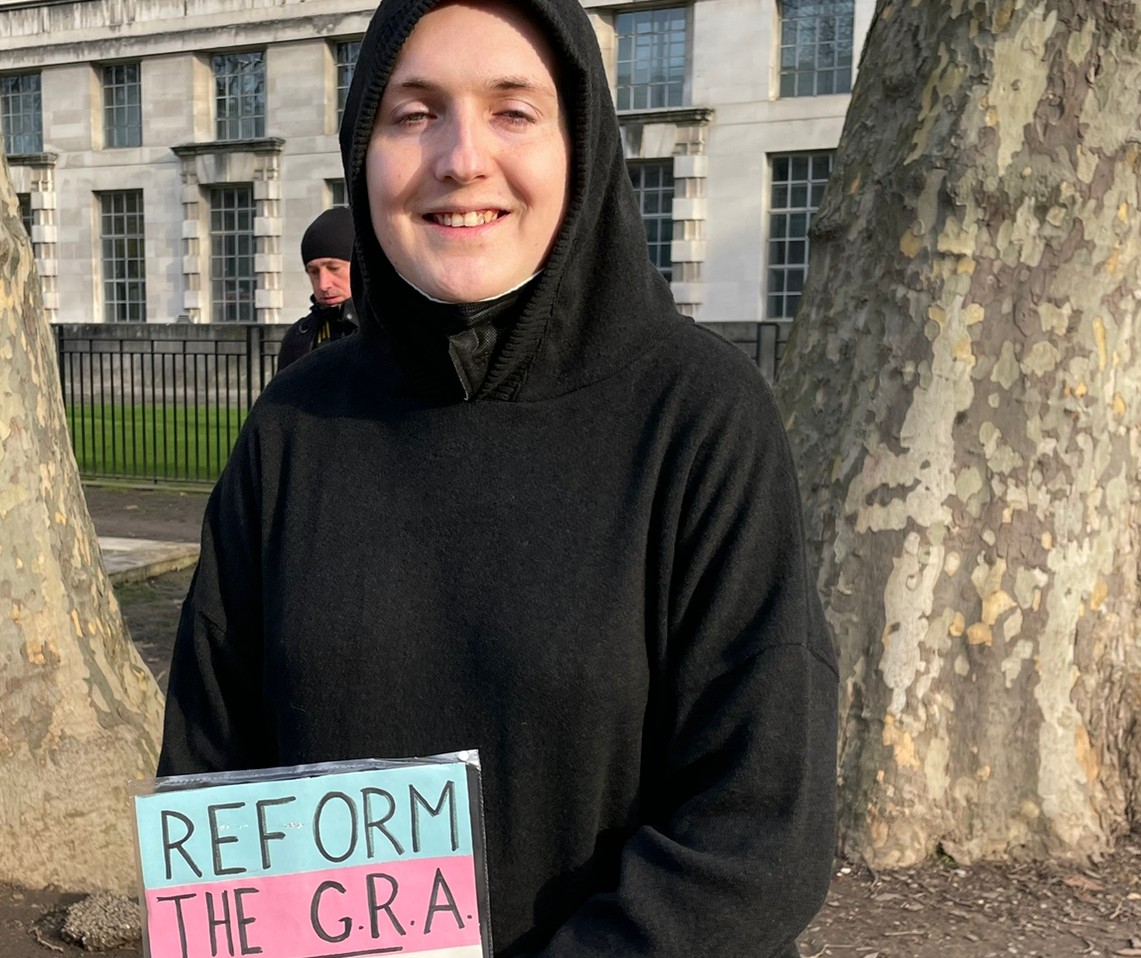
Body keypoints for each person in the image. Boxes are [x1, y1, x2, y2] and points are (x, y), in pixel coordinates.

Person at [159, 0, 839, 954]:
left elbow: (758, 827)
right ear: (365, 150)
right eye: (414, 113)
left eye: (513, 111)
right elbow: (211, 771)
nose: (461, 158)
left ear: (581, 144)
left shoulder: (701, 418)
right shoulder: (294, 427)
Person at [277, 207, 359, 369]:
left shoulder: (393, 330)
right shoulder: (298, 339)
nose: (323, 284)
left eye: (334, 268)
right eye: (314, 272)